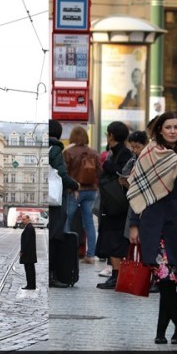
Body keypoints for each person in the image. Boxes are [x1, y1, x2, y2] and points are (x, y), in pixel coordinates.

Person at [126, 112, 177, 345]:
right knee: (164, 278)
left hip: (175, 224)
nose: (172, 131)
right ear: (159, 130)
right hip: (151, 222)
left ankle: (165, 330)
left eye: (176, 127)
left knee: (167, 279)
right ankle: (176, 327)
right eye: (168, 127)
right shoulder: (148, 154)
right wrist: (134, 224)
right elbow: (136, 192)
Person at [95, 121, 134, 289]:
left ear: (111, 135)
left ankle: (117, 276)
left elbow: (122, 173)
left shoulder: (123, 153)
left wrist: (108, 165)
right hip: (112, 204)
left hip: (119, 204)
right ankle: (115, 275)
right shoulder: (115, 152)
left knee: (115, 240)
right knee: (112, 239)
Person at [48, 119, 80, 288]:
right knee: (55, 237)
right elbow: (61, 174)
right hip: (53, 200)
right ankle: (52, 275)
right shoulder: (55, 150)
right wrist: (75, 185)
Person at [63, 126, 101, 264]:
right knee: (89, 223)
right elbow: (99, 172)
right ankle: (90, 255)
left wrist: (73, 187)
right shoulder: (94, 153)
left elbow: (64, 173)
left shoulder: (68, 152)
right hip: (91, 190)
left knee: (68, 220)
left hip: (74, 191)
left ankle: (65, 251)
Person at [19, 214, 37, 290]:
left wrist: (22, 251)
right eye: (22, 219)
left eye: (24, 219)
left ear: (28, 219)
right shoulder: (29, 227)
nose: (22, 221)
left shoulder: (29, 228)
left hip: (28, 254)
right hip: (30, 253)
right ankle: (31, 285)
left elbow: (26, 241)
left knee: (29, 270)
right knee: (30, 269)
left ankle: (30, 285)